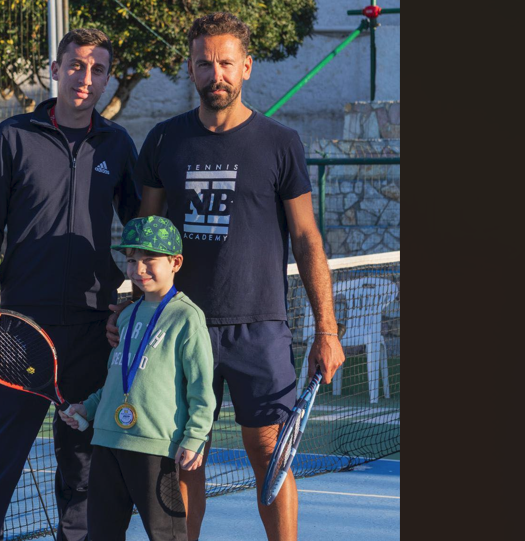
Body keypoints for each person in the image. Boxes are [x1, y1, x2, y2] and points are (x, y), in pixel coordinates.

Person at [105, 12, 346, 541]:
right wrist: (132, 304)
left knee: (269, 452)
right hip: (180, 326)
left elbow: (307, 238)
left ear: (247, 67)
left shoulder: (280, 142)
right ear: (190, 68)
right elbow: (146, 236)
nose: (216, 74)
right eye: (204, 63)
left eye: (226, 63)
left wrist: (326, 330)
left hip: (260, 328)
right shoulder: (164, 141)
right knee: (185, 453)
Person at [0, 28, 141, 541]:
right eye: (77, 65)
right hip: (21, 329)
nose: (86, 77)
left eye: (98, 69)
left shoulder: (117, 145)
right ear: (57, 69)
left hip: (91, 331)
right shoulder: (13, 136)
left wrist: (131, 307)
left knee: (83, 468)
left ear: (107, 79)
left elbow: (140, 236)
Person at [59, 215, 215, 541]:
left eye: (149, 260)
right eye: (131, 260)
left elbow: (202, 388)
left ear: (175, 263)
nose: (138, 269)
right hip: (107, 442)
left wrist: (195, 436)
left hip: (154, 447)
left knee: (166, 535)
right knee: (102, 533)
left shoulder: (187, 317)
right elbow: (115, 378)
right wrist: (88, 408)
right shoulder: (126, 314)